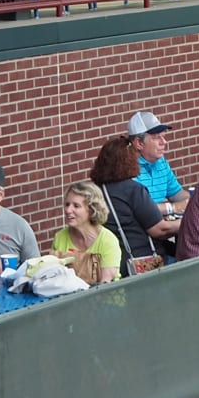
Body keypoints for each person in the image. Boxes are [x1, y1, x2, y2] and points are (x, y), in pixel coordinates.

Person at [90, 134, 175, 276]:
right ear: (128, 161)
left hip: (110, 265)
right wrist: (186, 222)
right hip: (142, 263)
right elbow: (160, 230)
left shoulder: (96, 191)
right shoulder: (133, 190)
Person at [50, 181, 124, 285]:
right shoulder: (60, 237)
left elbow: (106, 284)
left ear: (91, 209)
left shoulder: (108, 241)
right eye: (67, 204)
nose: (68, 210)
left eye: (76, 206)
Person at [128, 111, 190, 211]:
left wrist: (195, 200)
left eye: (163, 136)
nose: (164, 142)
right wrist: (173, 208)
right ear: (139, 143)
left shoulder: (160, 161)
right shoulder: (125, 169)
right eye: (156, 137)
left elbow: (176, 194)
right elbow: (142, 210)